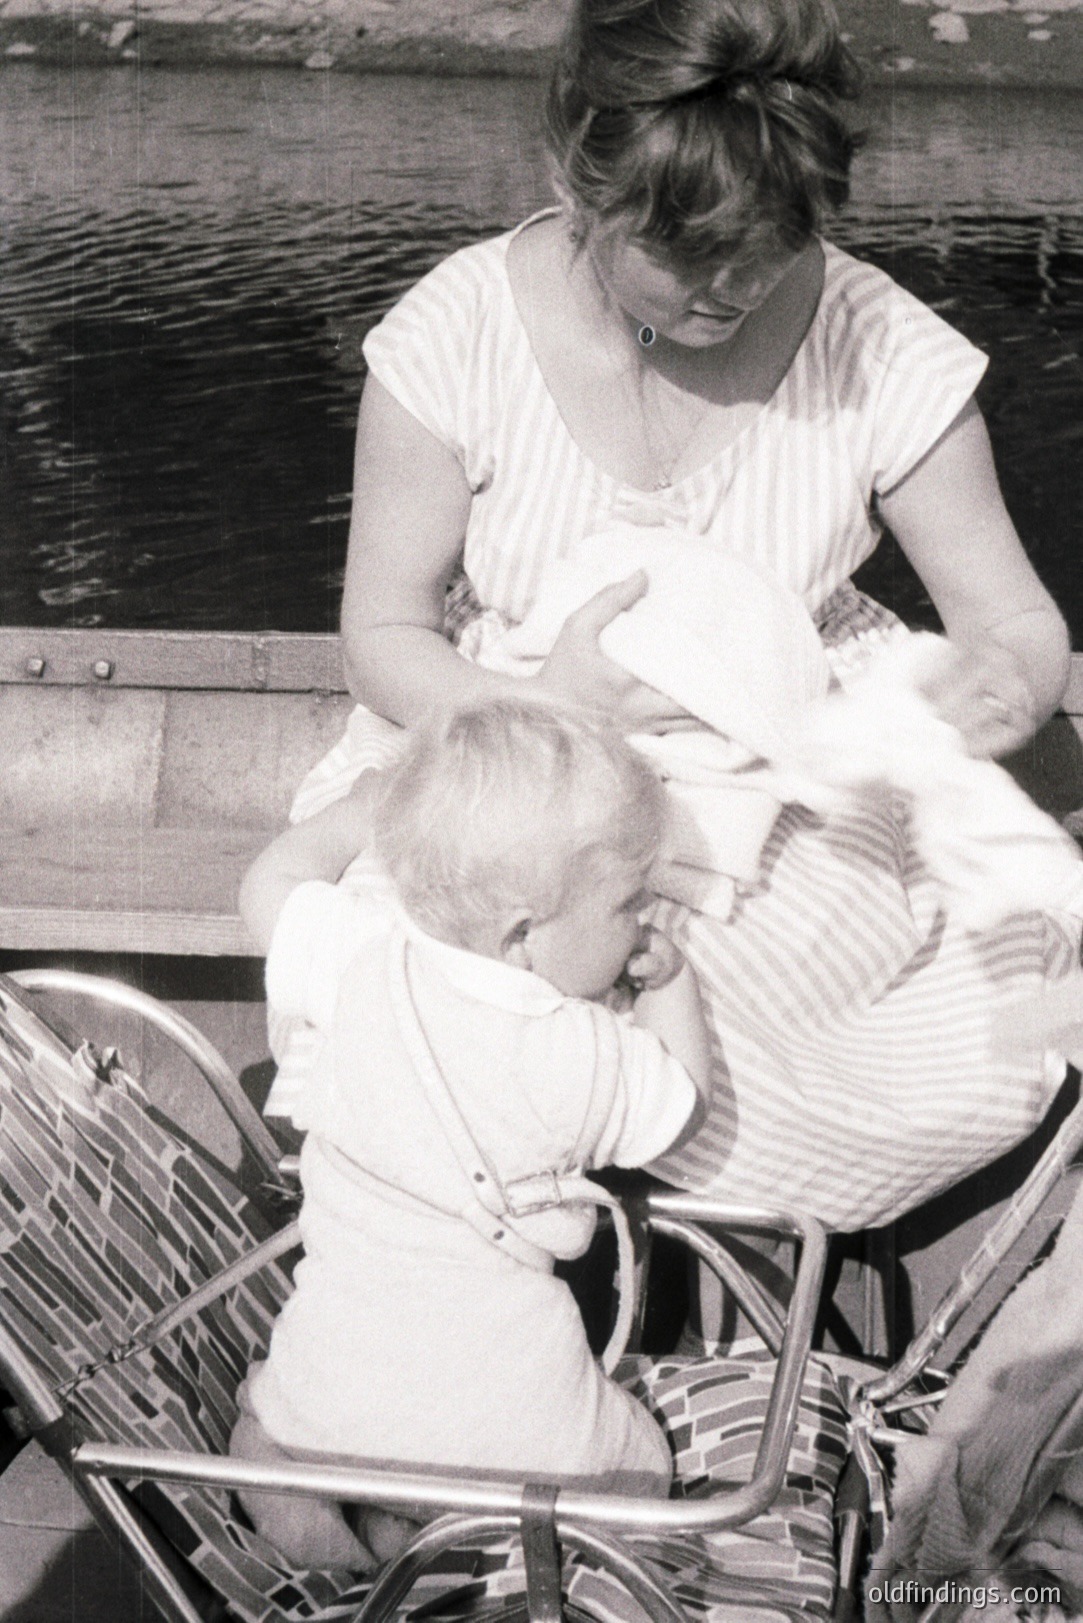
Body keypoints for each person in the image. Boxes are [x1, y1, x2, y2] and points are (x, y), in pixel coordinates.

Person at [276, 0, 1079, 1233]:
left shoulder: (878, 346)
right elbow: (382, 637)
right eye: (687, 252)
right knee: (479, 961)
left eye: (774, 243)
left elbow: (1017, 623)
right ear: (576, 183)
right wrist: (550, 708)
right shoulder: (456, 335)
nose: (737, 288)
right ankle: (525, 1260)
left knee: (872, 1006)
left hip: (783, 768)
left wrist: (1004, 686)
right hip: (506, 743)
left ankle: (705, 1258)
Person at [231, 696, 711, 1570]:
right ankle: (473, 1547)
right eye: (630, 904)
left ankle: (358, 1540)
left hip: (328, 1414)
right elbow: (683, 1108)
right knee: (641, 1465)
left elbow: (265, 884)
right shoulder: (583, 1053)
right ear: (523, 936)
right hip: (515, 1446)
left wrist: (353, 814)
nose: (644, 921)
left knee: (258, 1419)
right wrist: (671, 983)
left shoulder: (359, 955)